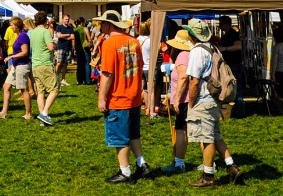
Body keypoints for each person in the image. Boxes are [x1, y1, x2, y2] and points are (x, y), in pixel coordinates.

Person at [184, 18, 245, 187]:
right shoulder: (213, 48)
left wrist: (191, 102)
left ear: (191, 35)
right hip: (214, 99)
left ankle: (208, 175)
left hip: (203, 100)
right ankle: (232, 166)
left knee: (207, 138)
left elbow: (194, 81)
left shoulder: (197, 51)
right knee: (216, 136)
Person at [93, 11, 150, 184]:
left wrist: (102, 98)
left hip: (118, 97)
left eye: (102, 23)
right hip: (133, 95)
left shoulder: (109, 43)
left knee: (119, 137)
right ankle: (142, 163)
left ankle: (125, 171)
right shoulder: (134, 42)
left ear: (109, 25)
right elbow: (139, 69)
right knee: (133, 134)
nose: (100, 26)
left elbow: (107, 74)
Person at [161, 29, 194, 174]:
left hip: (184, 100)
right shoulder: (190, 54)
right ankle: (209, 164)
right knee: (197, 132)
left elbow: (183, 78)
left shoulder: (182, 56)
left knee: (181, 130)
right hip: (190, 98)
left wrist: (177, 99)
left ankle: (179, 163)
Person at [0, 17, 31, 120]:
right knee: (6, 86)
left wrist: (11, 57)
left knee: (23, 89)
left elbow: (25, 52)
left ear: (16, 26)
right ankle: (4, 112)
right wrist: (13, 63)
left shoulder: (23, 36)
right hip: (16, 65)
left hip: (22, 66)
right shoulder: (18, 36)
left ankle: (28, 114)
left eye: (12, 25)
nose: (10, 27)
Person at [28, 11, 59, 126]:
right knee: (55, 89)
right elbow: (50, 47)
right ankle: (44, 113)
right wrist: (55, 44)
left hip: (35, 64)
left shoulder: (33, 32)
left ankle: (43, 118)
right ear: (46, 21)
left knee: (40, 92)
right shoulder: (45, 32)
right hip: (45, 63)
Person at [216, 16, 245, 117]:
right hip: (230, 64)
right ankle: (235, 110)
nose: (219, 26)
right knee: (231, 86)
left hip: (235, 64)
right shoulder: (227, 34)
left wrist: (225, 49)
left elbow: (239, 46)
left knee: (236, 87)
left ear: (227, 24)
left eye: (221, 23)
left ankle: (240, 110)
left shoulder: (233, 33)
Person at [54, 14, 75, 88]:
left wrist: (64, 36)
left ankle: (63, 79)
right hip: (61, 48)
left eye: (68, 19)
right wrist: (68, 35)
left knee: (66, 64)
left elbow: (72, 37)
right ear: (62, 19)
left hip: (68, 48)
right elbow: (59, 36)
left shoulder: (70, 28)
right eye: (66, 19)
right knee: (59, 63)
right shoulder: (59, 27)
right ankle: (55, 79)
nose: (67, 20)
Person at [73, 17, 90, 86]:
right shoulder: (85, 29)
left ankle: (79, 80)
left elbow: (73, 41)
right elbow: (89, 38)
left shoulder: (75, 30)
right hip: (85, 48)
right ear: (82, 22)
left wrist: (74, 49)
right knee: (86, 64)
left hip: (78, 48)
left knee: (79, 65)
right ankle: (87, 80)